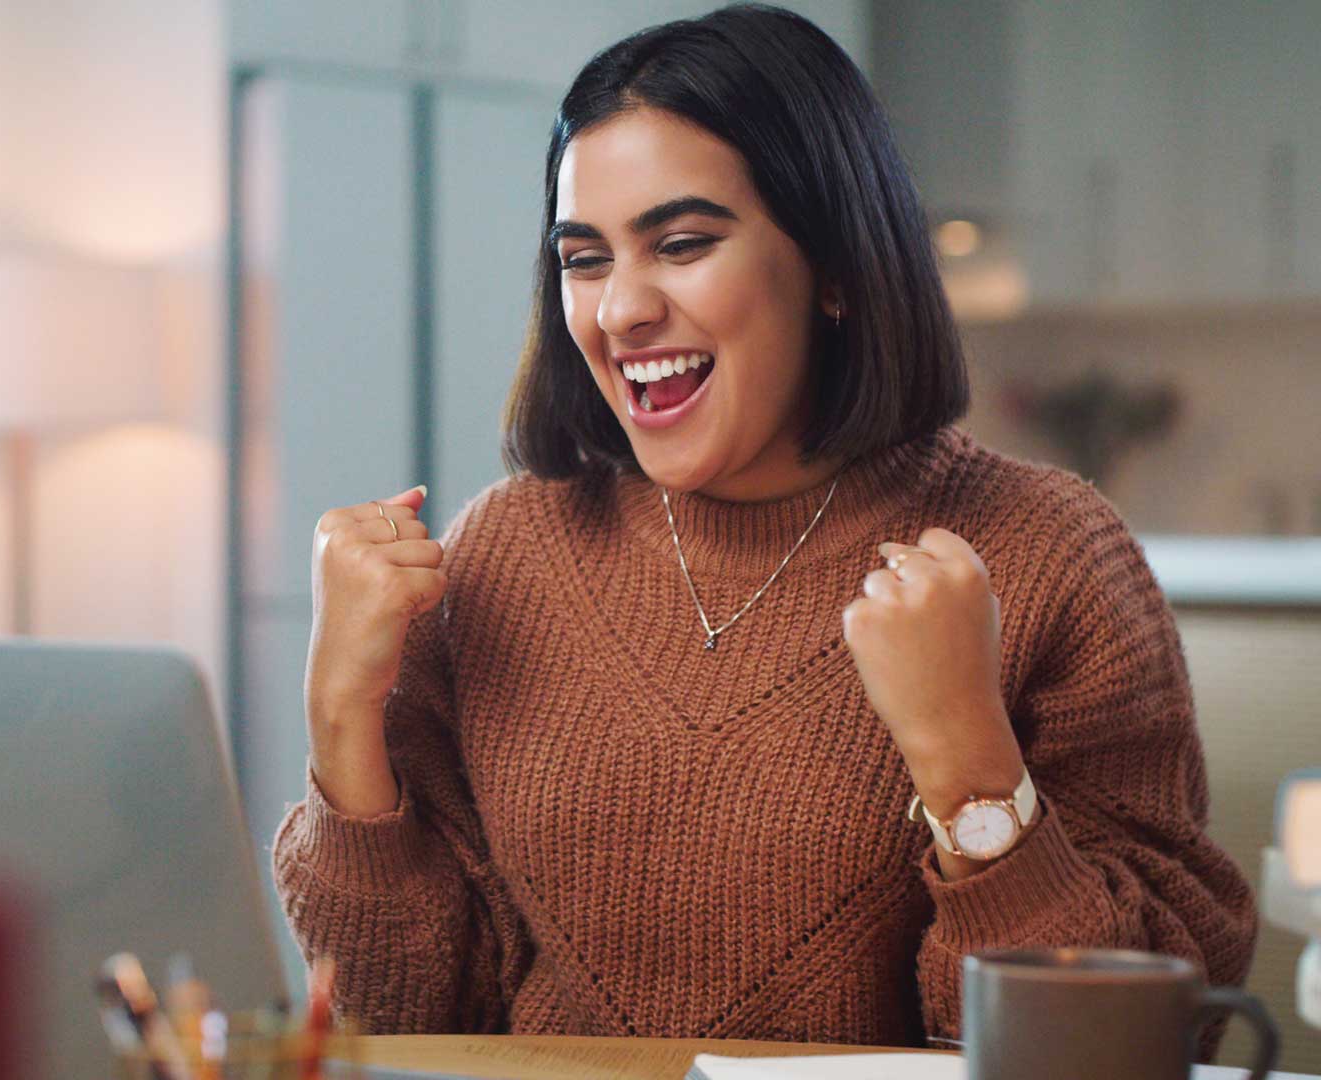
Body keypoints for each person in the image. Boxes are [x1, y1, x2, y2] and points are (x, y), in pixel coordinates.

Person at [270, 2, 1258, 1052]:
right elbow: (402, 1020)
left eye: (682, 243)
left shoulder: (1049, 552)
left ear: (835, 267)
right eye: (584, 257)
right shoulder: (503, 552)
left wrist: (967, 756)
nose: (619, 310)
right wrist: (340, 713)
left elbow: (1138, 1042)